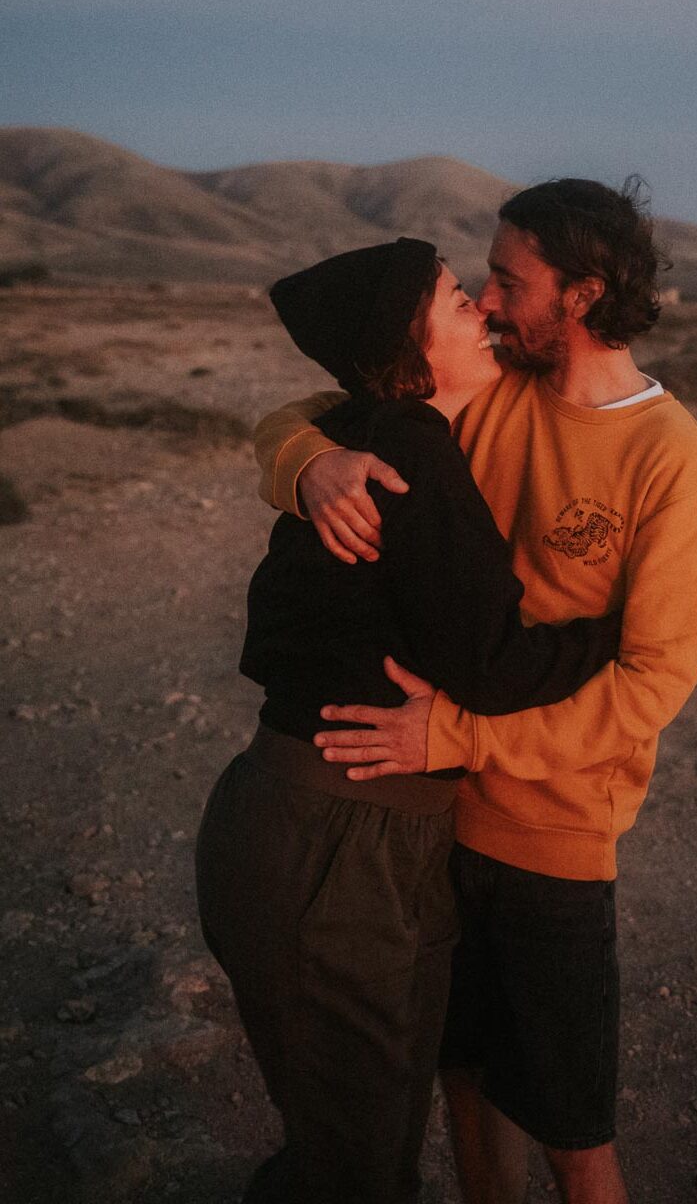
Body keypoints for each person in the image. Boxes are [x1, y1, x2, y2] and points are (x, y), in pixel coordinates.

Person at [255, 179, 697, 1204]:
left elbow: (651, 685)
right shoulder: (488, 389)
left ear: (582, 293)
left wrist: (464, 737)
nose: (487, 295)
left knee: (575, 1135)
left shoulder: (670, 458)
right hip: (429, 824)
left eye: (508, 280)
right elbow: (309, 407)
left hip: (552, 838)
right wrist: (309, 468)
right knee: (464, 1087)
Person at [195, 237, 622, 1204]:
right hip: (332, 841)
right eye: (456, 299)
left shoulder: (370, 433)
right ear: (410, 347)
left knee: (363, 1135)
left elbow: (297, 420)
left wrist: (297, 455)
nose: (481, 305)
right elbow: (496, 665)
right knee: (356, 1163)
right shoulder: (405, 451)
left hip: (340, 828)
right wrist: (623, 629)